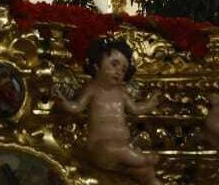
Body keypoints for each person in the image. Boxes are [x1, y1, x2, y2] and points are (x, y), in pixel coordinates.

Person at [58, 38, 160, 184]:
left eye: (123, 69)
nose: (119, 71)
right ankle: (142, 159)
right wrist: (64, 102)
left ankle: (151, 178)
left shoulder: (122, 92)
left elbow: (135, 109)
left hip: (123, 151)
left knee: (147, 171)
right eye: (114, 64)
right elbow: (78, 107)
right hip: (100, 149)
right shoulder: (92, 88)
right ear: (96, 65)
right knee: (113, 148)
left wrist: (150, 103)